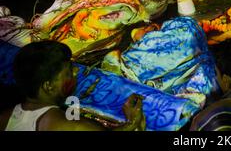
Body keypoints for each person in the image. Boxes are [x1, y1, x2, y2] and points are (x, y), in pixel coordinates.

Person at [0, 41, 145, 131]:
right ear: (48, 86)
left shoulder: (5, 117)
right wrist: (132, 123)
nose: (76, 71)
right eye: (69, 71)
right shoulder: (72, 126)